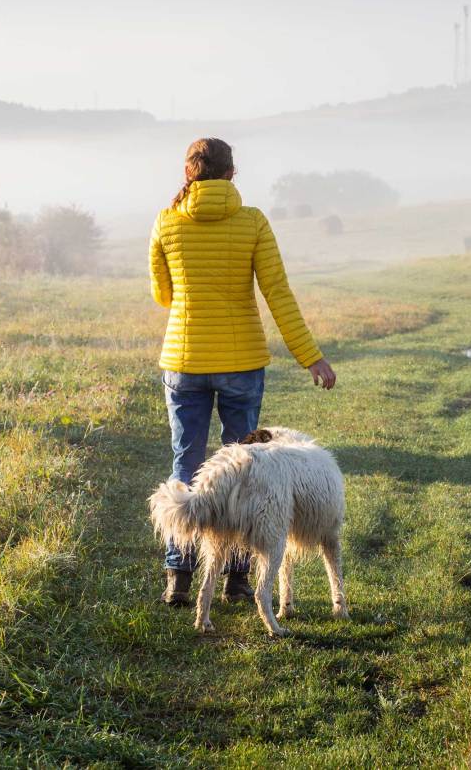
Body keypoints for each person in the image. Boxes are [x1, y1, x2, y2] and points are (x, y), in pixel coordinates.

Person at [149, 137, 336, 606]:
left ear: (188, 173)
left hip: (184, 362)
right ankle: (236, 578)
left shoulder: (167, 220)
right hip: (241, 363)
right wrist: (310, 356)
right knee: (246, 470)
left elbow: (163, 294)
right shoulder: (253, 222)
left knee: (187, 463)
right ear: (232, 173)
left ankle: (178, 575)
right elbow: (278, 293)